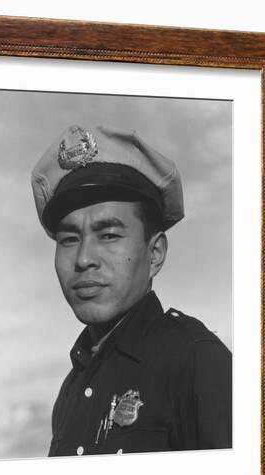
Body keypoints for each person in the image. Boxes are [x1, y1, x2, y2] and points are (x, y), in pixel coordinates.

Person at [31, 124, 232, 457]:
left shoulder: (197, 362)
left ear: (154, 255)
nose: (83, 259)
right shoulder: (73, 386)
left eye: (108, 235)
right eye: (69, 239)